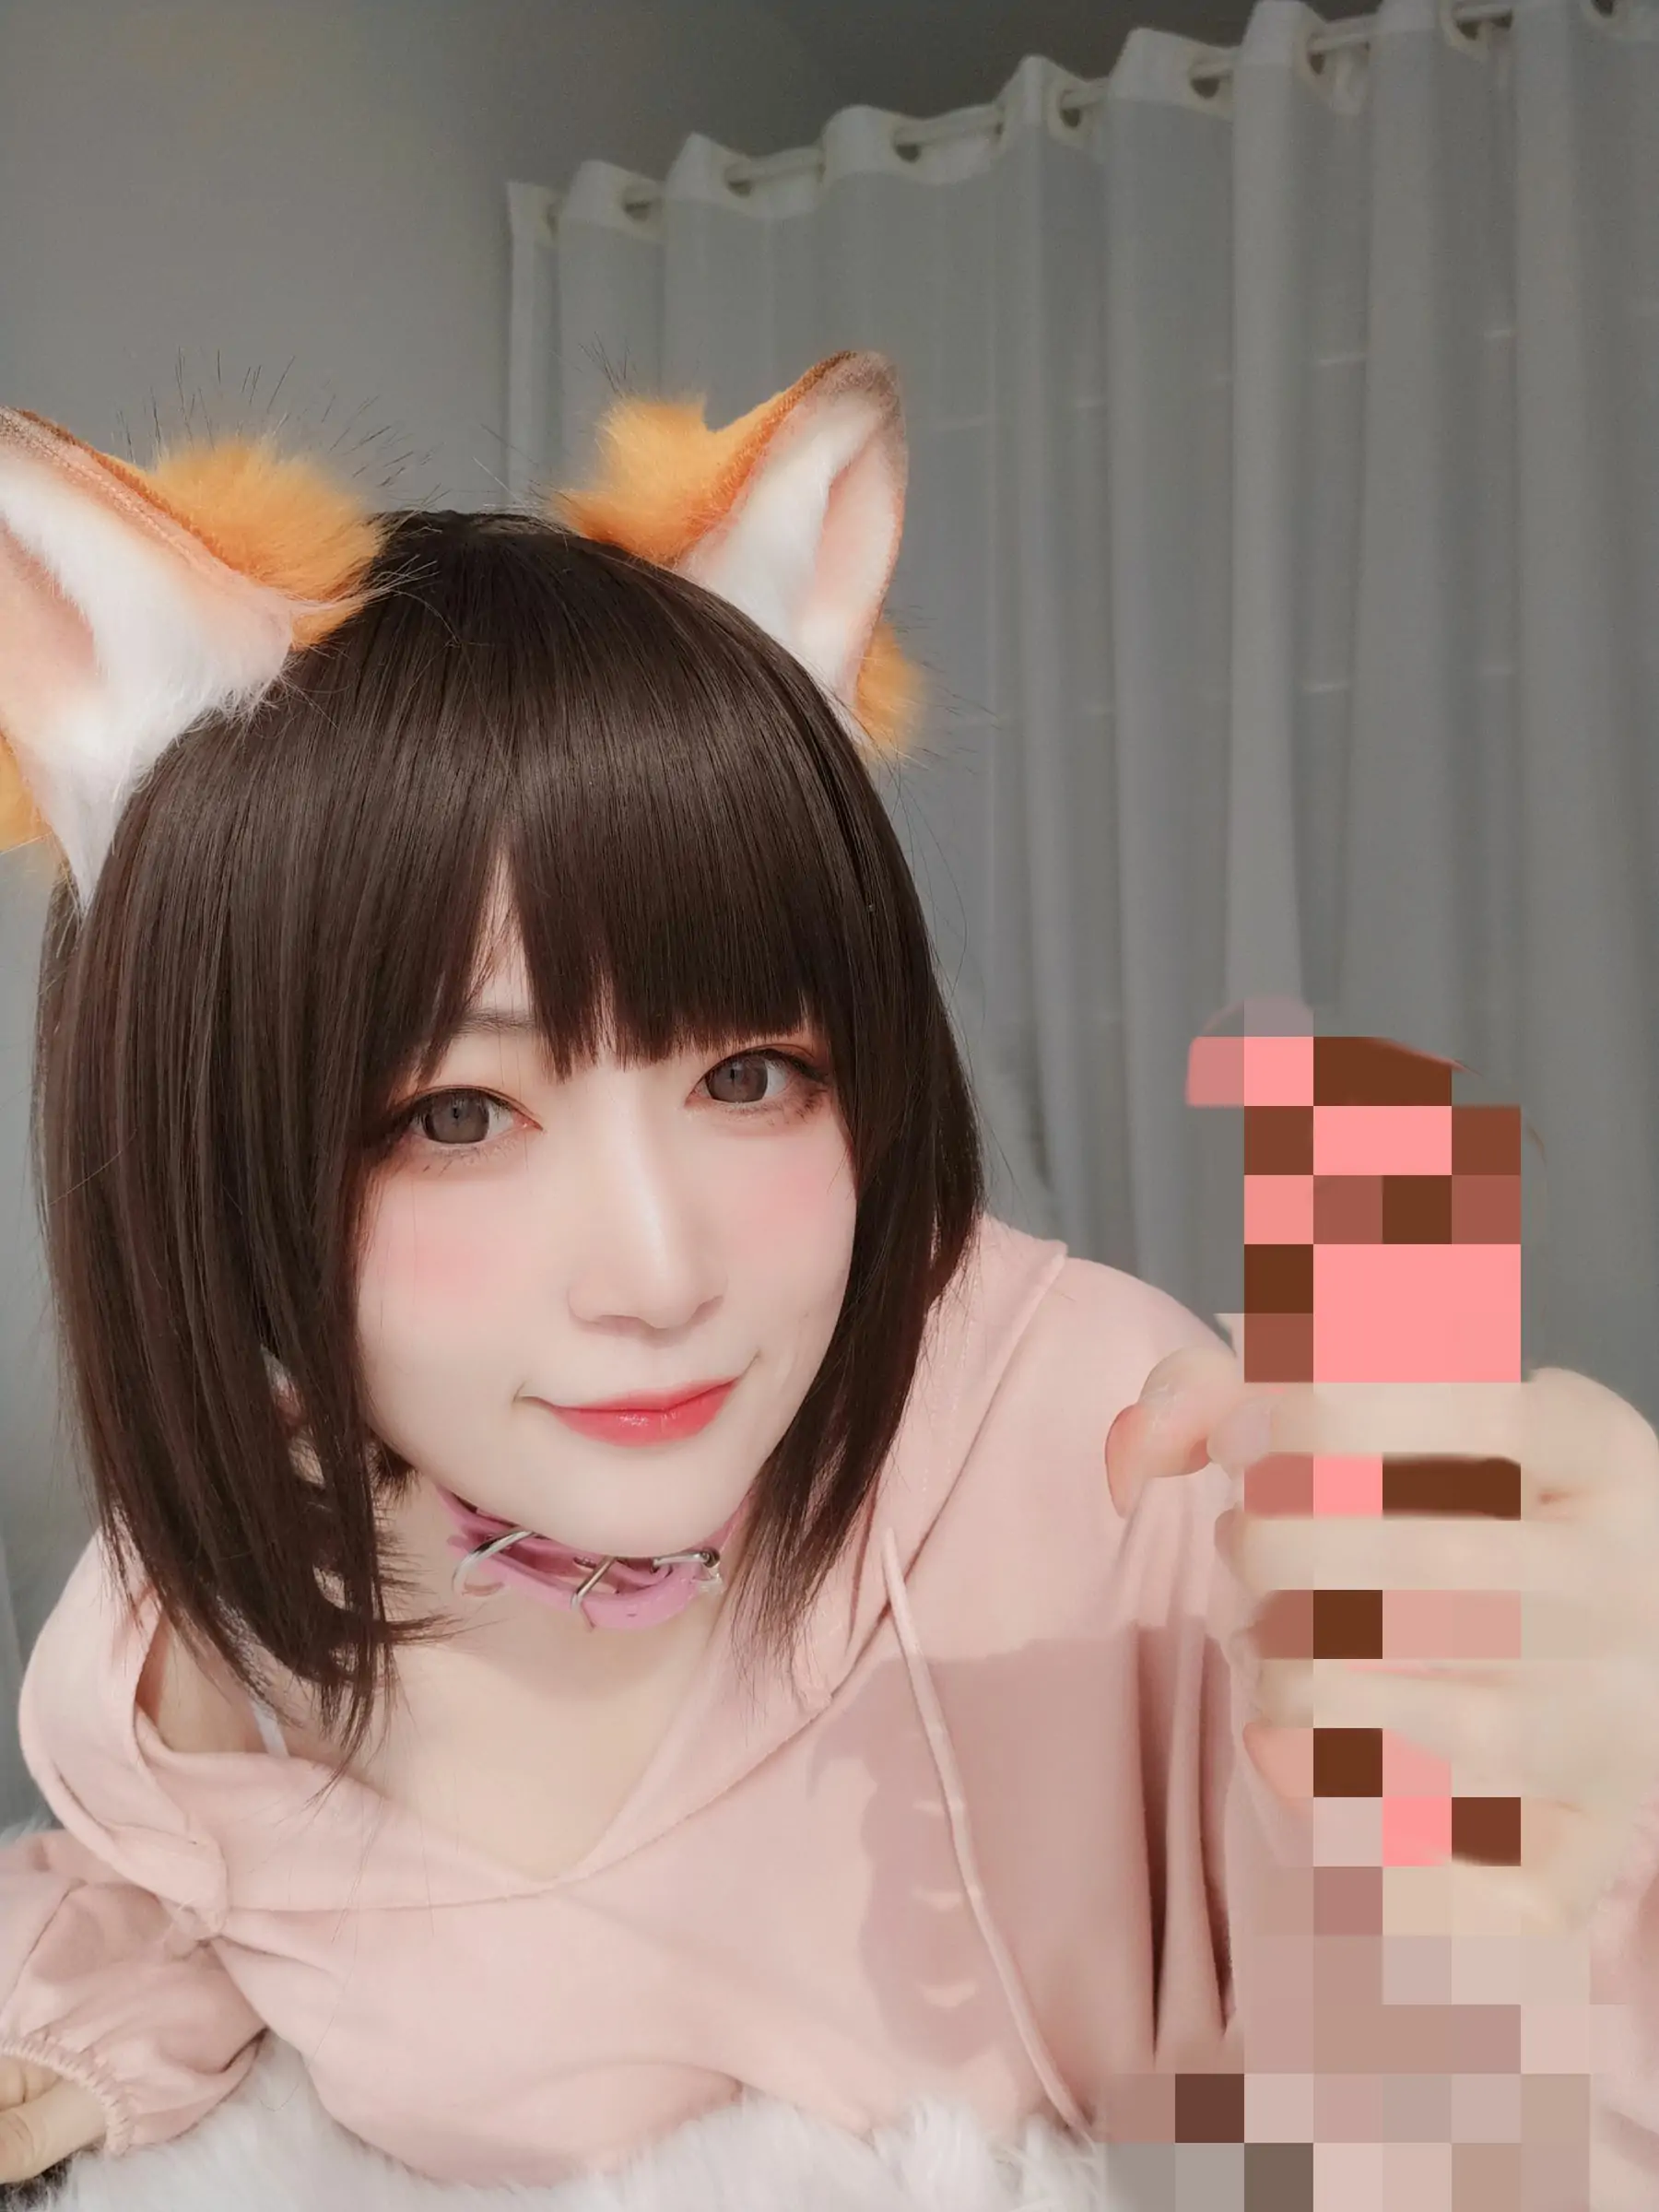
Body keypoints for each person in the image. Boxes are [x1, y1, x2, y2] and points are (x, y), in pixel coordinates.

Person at [0, 354, 1656, 2200]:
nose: (660, 1276)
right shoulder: (196, 1632)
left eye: (749, 1077)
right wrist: (70, 2032)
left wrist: (1518, 1830)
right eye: (458, 1115)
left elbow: (1472, 2097)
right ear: (203, 1143)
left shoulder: (1100, 1462)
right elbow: (164, 1897)